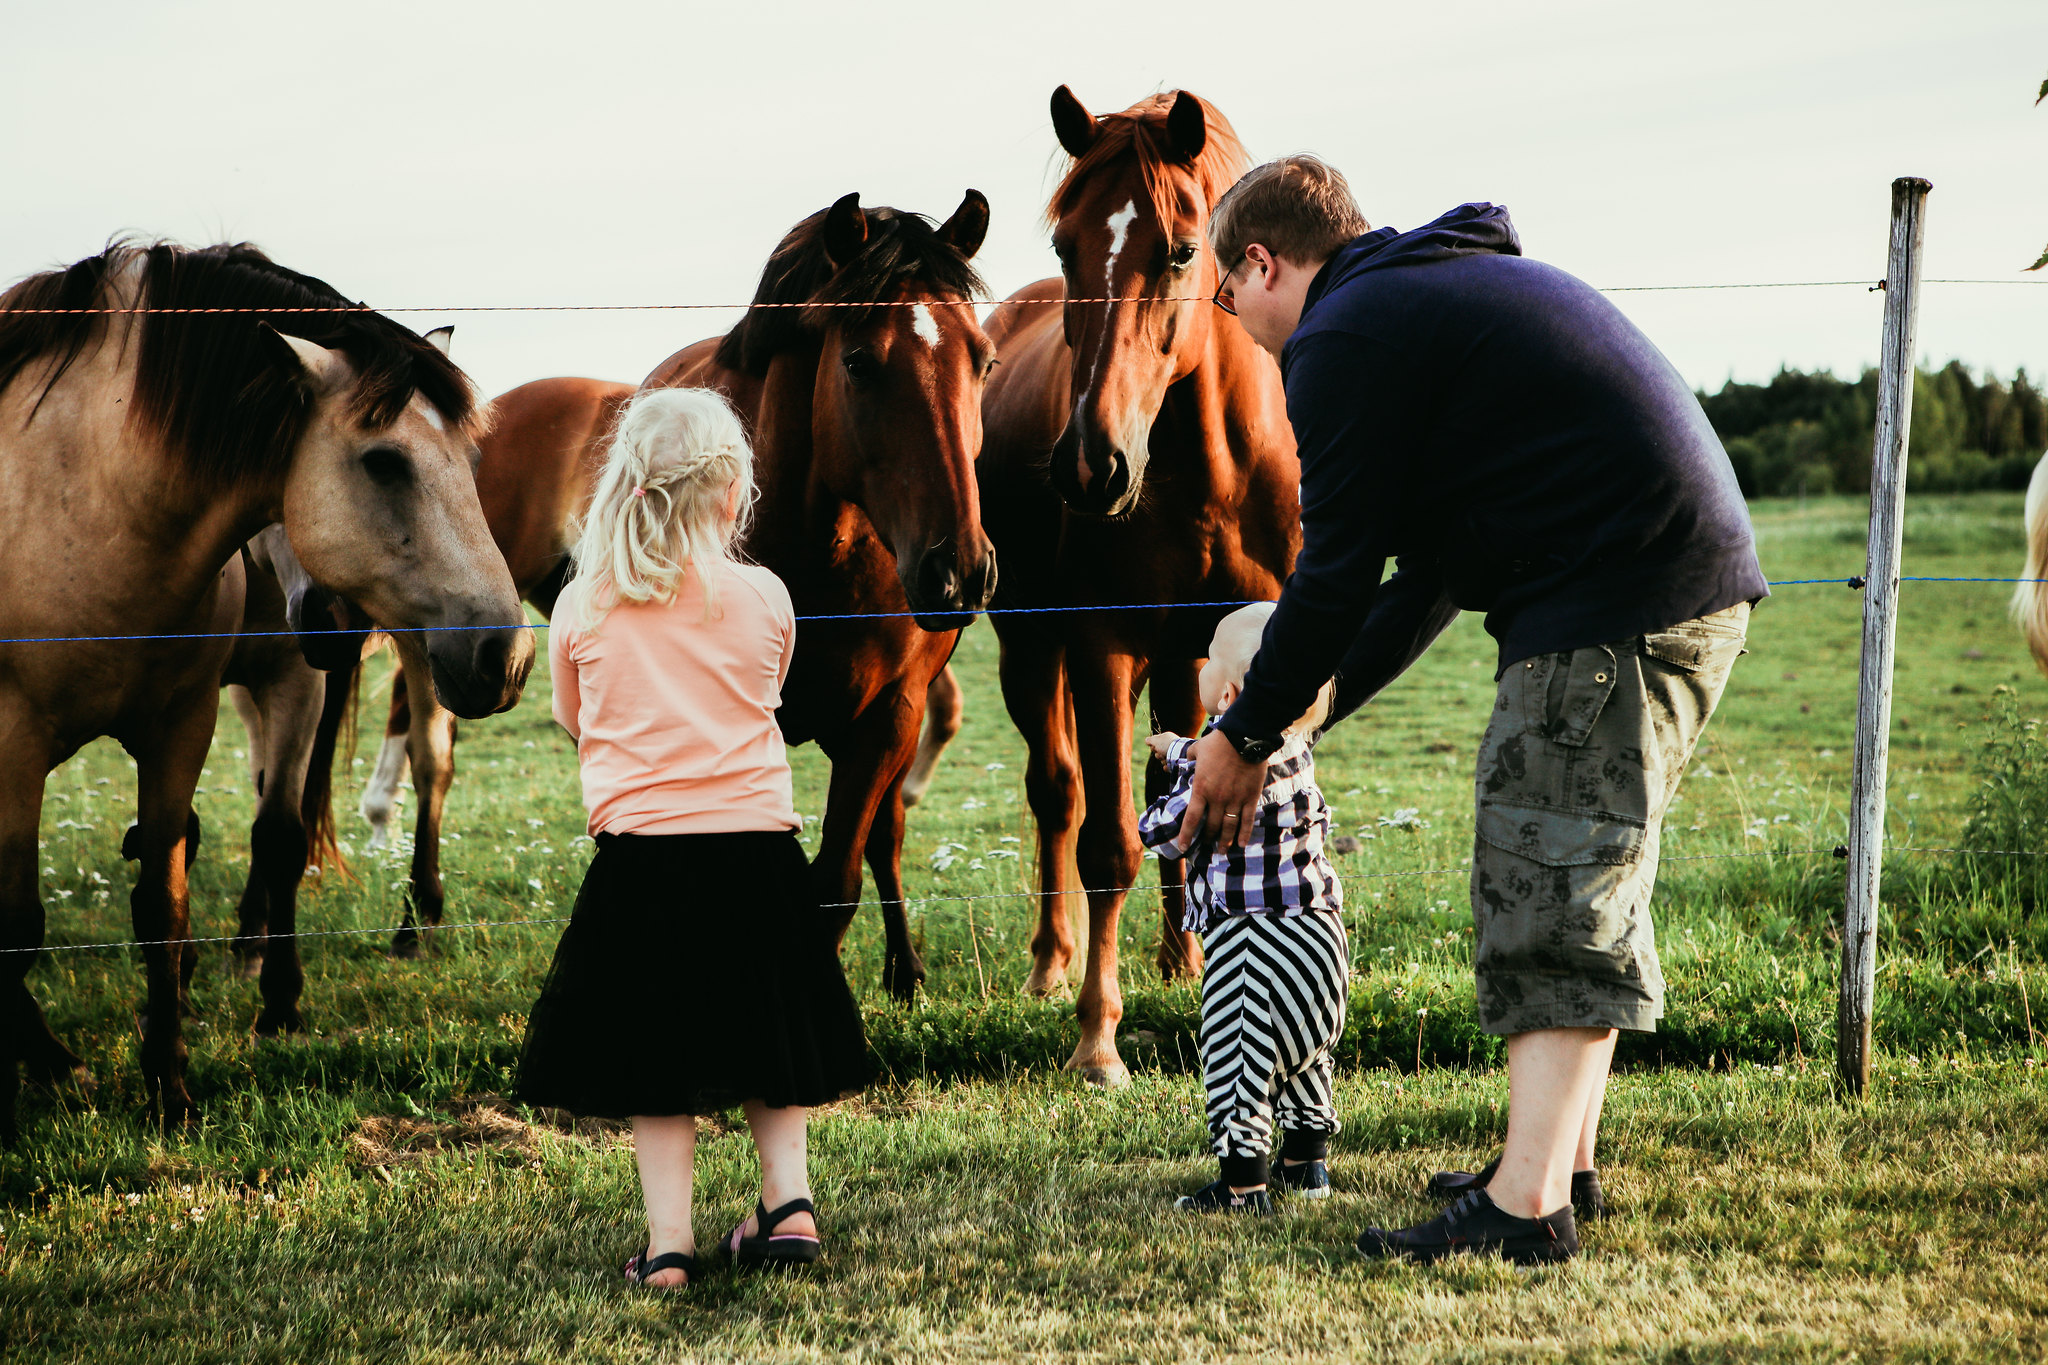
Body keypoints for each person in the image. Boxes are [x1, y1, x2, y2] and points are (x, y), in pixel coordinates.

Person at [1186, 156, 1766, 1265]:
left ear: (1260, 263)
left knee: (1544, 876)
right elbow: (1431, 573)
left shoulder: (1343, 336)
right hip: (1659, 582)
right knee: (1579, 866)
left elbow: (1337, 569)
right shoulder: (1417, 302)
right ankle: (1559, 1165)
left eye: (1225, 291)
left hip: (1611, 600)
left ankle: (1523, 1207)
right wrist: (1309, 712)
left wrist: (1243, 737)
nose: (1236, 321)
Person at [516, 387, 873, 1291]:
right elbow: (769, 690)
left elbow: (573, 718)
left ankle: (668, 1247)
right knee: (773, 1044)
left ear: (625, 484)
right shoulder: (765, 595)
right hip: (758, 851)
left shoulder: (583, 604)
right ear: (731, 494)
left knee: (655, 1062)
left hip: (645, 862)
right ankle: (788, 1206)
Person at [1139, 604, 1347, 1216]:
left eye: (1208, 654)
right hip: (1319, 934)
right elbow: (1211, 749)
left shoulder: (1225, 773)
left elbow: (1178, 829)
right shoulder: (1294, 748)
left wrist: (1143, 824)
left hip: (1252, 942)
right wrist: (1180, 749)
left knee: (1238, 1061)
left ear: (1225, 691)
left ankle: (1242, 1188)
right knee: (1303, 1059)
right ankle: (1306, 1166)